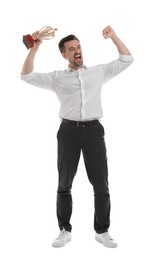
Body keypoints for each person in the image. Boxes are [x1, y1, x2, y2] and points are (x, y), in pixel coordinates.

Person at [21, 25, 133, 248]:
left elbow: (126, 59)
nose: (77, 51)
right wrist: (34, 48)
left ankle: (102, 231)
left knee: (101, 185)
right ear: (64, 55)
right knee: (64, 184)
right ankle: (64, 230)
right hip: (68, 132)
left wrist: (114, 37)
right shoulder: (57, 78)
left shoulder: (97, 72)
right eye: (72, 49)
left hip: (94, 131)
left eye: (79, 47)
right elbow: (26, 76)